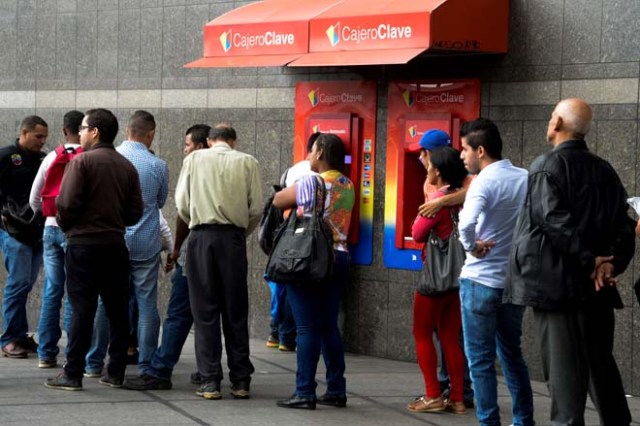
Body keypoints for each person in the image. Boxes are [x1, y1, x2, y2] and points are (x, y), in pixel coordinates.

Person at [505, 98, 635, 426]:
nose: (549, 122)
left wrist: (591, 262)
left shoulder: (546, 166)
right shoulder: (605, 170)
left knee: (563, 378)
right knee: (600, 368)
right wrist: (609, 266)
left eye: (551, 117)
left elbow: (552, 220)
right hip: (596, 290)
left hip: (557, 287)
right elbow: (625, 225)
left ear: (559, 124)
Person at [44, 108, 143, 391]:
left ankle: (72, 373)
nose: (81, 133)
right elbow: (136, 211)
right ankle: (115, 372)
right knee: (117, 311)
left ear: (95, 131)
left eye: (84, 128)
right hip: (115, 245)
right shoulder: (127, 167)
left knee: (82, 310)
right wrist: (114, 222)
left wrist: (68, 225)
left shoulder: (82, 163)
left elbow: (65, 205)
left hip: (83, 246)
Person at [175, 125, 262, 400]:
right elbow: (257, 208)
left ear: (210, 141)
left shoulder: (193, 159)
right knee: (236, 311)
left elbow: (182, 204)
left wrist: (198, 223)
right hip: (233, 240)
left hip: (201, 237)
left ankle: (210, 380)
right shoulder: (248, 161)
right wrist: (239, 233)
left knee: (205, 311)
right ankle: (240, 380)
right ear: (233, 141)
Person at [457, 118, 534, 426]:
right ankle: (524, 420)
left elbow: (465, 224)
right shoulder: (525, 177)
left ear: (481, 149)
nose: (462, 156)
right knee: (512, 355)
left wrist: (472, 246)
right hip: (513, 282)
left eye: (465, 149)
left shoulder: (483, 182)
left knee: (480, 362)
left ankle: (489, 423)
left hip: (479, 281)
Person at [124, 124, 211, 391]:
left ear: (199, 145)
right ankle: (218, 375)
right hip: (227, 248)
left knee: (178, 312)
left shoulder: (193, 166)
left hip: (194, 245)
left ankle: (157, 369)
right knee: (218, 314)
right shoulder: (243, 164)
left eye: (186, 145)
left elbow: (182, 210)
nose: (184, 150)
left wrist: (177, 247)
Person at [273, 133, 355, 410]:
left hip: (311, 258)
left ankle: (304, 391)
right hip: (340, 257)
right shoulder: (347, 183)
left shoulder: (313, 181)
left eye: (311, 151)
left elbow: (278, 200)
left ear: (319, 152)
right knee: (329, 326)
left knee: (306, 327)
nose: (308, 155)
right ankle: (336, 388)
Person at [408, 129, 475, 408]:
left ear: (438, 170)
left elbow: (418, 232)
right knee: (450, 338)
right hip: (457, 279)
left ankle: (433, 394)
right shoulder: (465, 195)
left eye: (430, 164)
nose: (425, 166)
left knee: (422, 334)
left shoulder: (437, 201)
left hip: (434, 280)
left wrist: (430, 199)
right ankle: (457, 398)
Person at [29, 110, 83, 367]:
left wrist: (48, 214)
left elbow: (34, 198)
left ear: (64, 130)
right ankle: (74, 355)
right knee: (74, 292)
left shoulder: (51, 156)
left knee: (52, 290)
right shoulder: (88, 157)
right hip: (76, 231)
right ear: (83, 130)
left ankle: (46, 353)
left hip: (51, 228)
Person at [265, 132, 321, 352]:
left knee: (281, 284)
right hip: (303, 237)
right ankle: (287, 336)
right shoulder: (313, 174)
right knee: (294, 286)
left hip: (286, 236)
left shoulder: (292, 169)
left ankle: (274, 332)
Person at [0, 115, 48, 358]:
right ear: (24, 133)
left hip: (36, 232)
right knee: (17, 285)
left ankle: (19, 335)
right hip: (13, 232)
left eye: (45, 137)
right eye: (38, 136)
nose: (42, 141)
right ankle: (8, 339)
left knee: (25, 285)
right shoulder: (6, 155)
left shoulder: (42, 159)